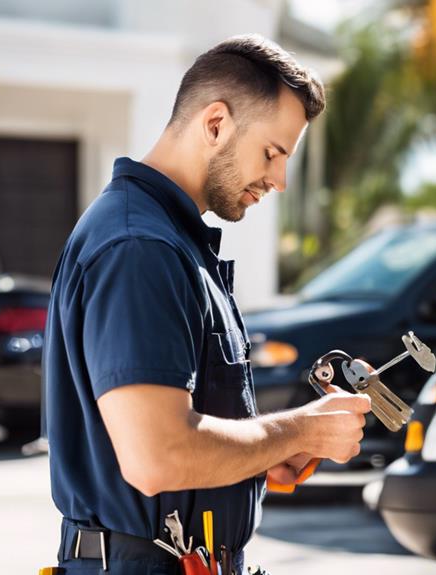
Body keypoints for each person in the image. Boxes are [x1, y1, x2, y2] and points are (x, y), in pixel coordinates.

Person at [42, 34, 371, 574]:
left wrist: (265, 454)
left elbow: (181, 435)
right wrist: (302, 430)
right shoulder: (139, 248)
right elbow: (159, 456)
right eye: (273, 152)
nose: (280, 180)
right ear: (215, 123)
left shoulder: (169, 241)